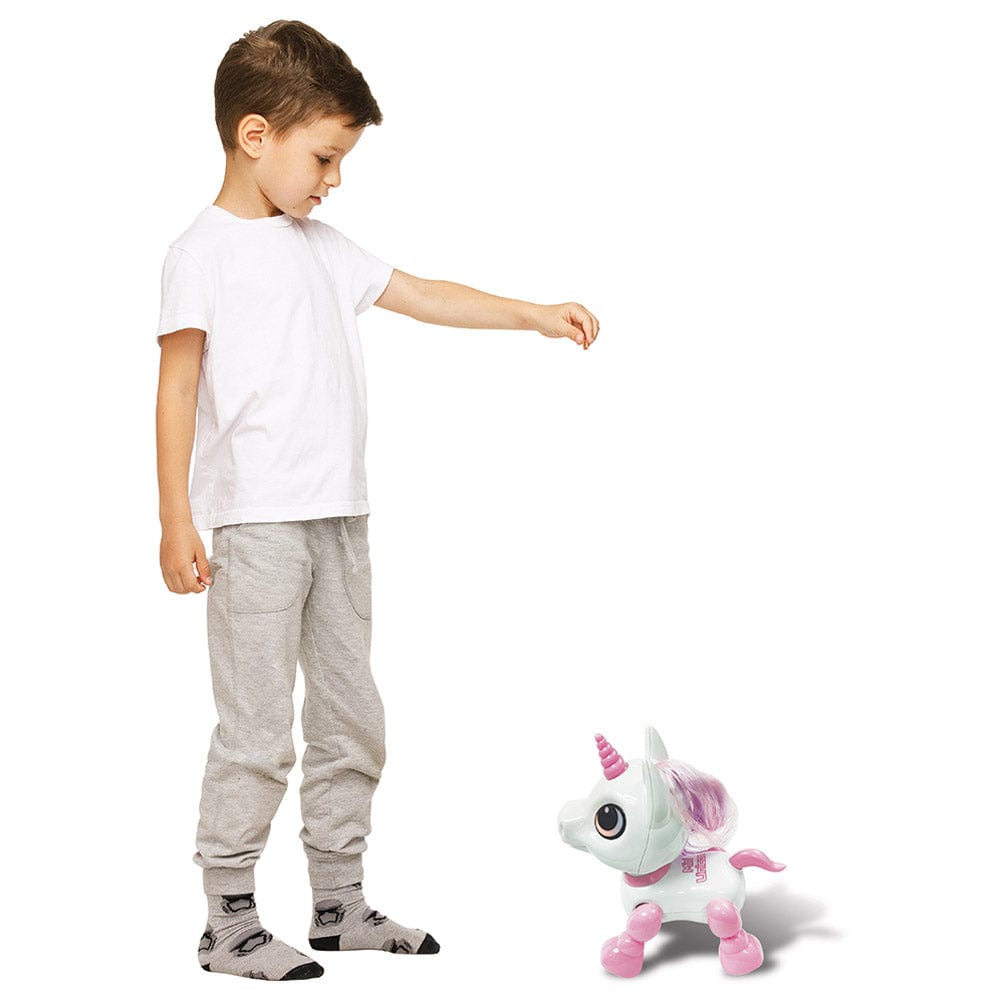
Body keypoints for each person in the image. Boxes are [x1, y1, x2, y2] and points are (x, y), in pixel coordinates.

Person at [155, 18, 600, 982]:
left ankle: (339, 902)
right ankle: (227, 918)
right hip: (256, 527)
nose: (334, 179)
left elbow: (422, 293)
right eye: (325, 157)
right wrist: (175, 518)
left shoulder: (323, 246)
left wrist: (530, 314)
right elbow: (177, 386)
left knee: (352, 716)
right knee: (257, 729)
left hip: (342, 519)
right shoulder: (201, 254)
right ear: (256, 135)